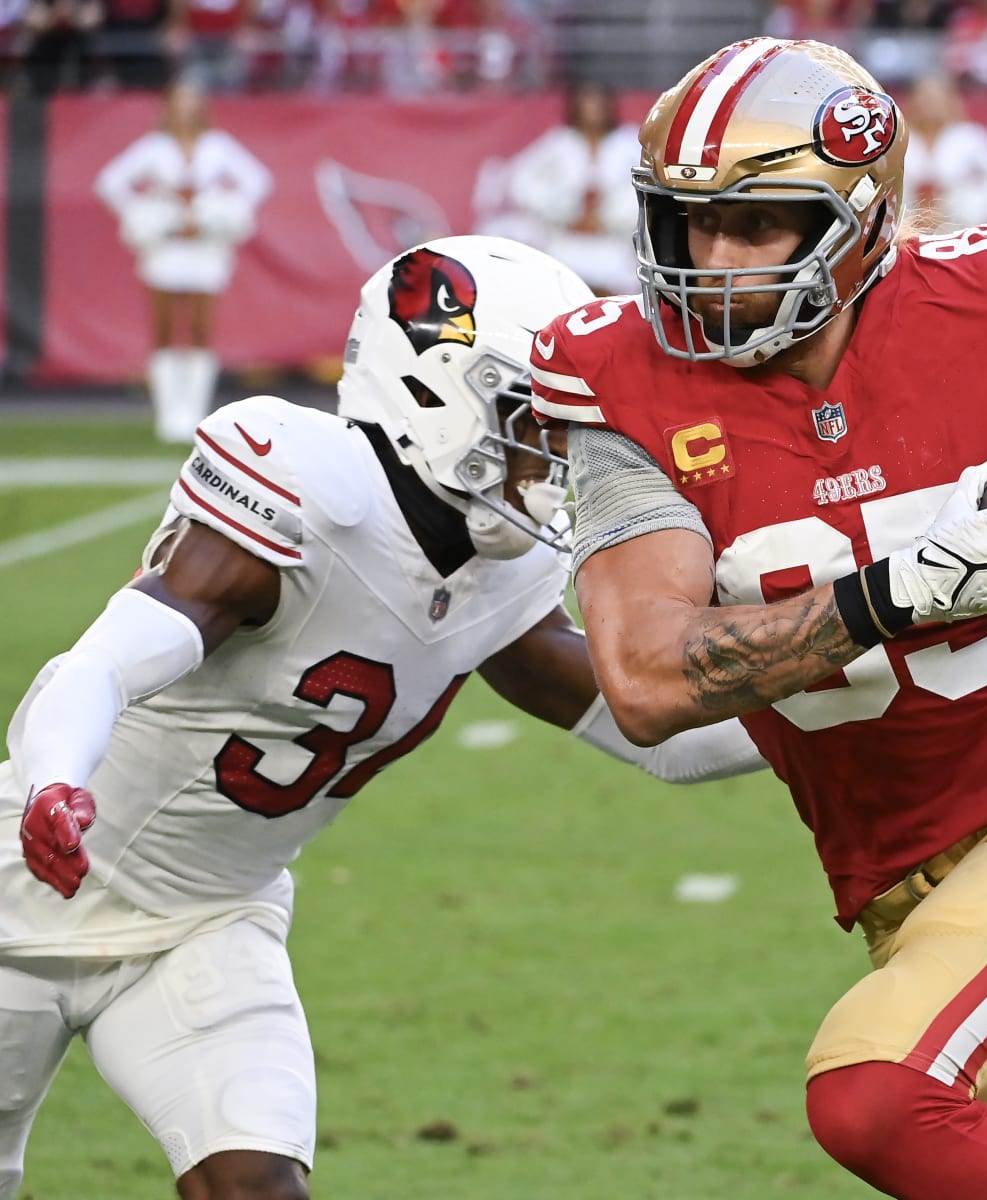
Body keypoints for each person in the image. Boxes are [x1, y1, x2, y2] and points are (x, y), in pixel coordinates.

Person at [528, 37, 987, 1200]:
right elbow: (648, 678)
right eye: (686, 222)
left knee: (871, 1091)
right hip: (898, 895)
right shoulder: (623, 380)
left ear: (860, 220)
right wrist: (906, 589)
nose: (709, 259)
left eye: (757, 223)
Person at [0, 236, 766, 1200]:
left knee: (256, 1186)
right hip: (29, 888)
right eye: (533, 417)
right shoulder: (314, 493)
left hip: (210, 918)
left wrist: (842, 721)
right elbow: (102, 666)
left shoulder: (504, 573)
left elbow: (656, 725)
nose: (555, 456)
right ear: (439, 388)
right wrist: (56, 778)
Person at [95, 78, 271, 445]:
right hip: (166, 244)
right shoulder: (153, 147)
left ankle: (195, 411)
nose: (185, 110)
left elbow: (258, 181)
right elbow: (110, 182)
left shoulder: (217, 146)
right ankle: (167, 413)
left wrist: (221, 214)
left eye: (192, 103)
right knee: (163, 327)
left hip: (206, 245)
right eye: (178, 102)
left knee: (201, 328)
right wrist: (146, 214)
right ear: (168, 107)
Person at [506, 82, 641, 294]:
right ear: (576, 105)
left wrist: (612, 215)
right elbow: (520, 179)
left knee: (621, 293)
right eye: (588, 100)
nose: (594, 108)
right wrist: (559, 208)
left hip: (614, 243)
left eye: (599, 101)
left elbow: (647, 186)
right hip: (565, 240)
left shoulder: (627, 142)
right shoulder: (560, 142)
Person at [901, 73, 987, 233]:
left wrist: (979, 203)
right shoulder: (900, 137)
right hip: (907, 221)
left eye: (935, 100)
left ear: (948, 102)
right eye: (924, 100)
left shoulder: (969, 136)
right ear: (913, 102)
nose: (928, 106)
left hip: (959, 222)